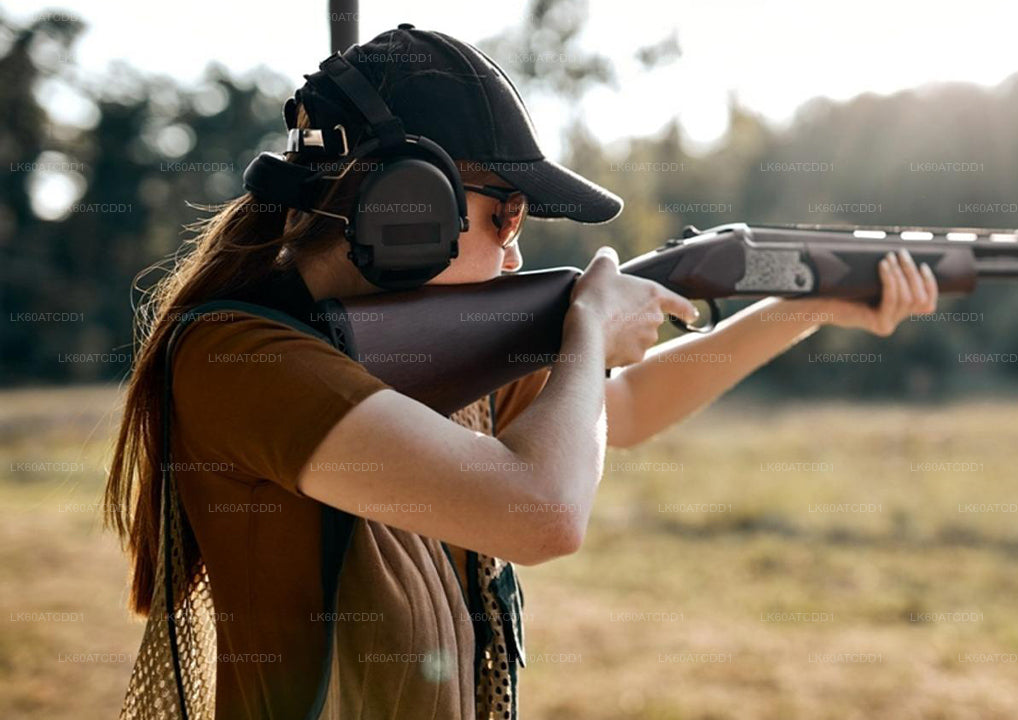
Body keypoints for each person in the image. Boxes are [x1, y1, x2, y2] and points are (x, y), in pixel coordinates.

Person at [106, 25, 938, 720]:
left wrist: (805, 307)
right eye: (503, 215)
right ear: (407, 206)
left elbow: (621, 409)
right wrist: (586, 330)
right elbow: (542, 513)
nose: (516, 252)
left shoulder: (430, 360)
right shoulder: (241, 358)